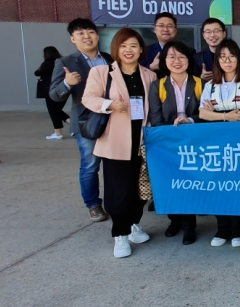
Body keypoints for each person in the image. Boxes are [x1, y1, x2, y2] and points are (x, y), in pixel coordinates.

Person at [81, 28, 157, 258]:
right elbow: (88, 98)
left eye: (133, 45)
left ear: (141, 49)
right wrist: (109, 104)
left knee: (140, 189)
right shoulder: (102, 72)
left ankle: (133, 224)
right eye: (123, 46)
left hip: (141, 142)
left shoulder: (149, 75)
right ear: (116, 49)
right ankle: (120, 234)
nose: (128, 50)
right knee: (119, 191)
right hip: (115, 142)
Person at [49, 18, 113, 222]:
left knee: (113, 164)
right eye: (81, 33)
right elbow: (54, 96)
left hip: (113, 119)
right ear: (73, 39)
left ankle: (114, 202)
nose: (87, 36)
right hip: (86, 122)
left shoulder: (109, 59)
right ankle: (93, 205)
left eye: (91, 32)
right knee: (90, 165)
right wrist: (67, 84)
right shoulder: (65, 62)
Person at [198, 39, 240, 248]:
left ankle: (238, 227)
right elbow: (201, 114)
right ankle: (222, 227)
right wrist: (227, 115)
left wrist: (215, 113)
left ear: (238, 59)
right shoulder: (210, 85)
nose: (227, 61)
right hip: (215, 143)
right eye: (223, 57)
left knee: (235, 185)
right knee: (217, 185)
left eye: (231, 56)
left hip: (239, 143)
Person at [148, 41, 202, 245]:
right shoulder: (158, 86)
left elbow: (205, 114)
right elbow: (155, 118)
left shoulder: (200, 84)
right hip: (167, 143)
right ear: (164, 61)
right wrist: (173, 131)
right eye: (171, 57)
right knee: (170, 182)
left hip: (193, 142)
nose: (176, 61)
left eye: (181, 56)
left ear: (189, 60)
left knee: (188, 184)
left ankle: (189, 226)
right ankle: (174, 220)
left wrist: (190, 121)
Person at [35, 46, 69, 139]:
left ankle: (58, 133)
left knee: (53, 111)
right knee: (56, 110)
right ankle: (74, 126)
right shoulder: (62, 62)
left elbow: (37, 73)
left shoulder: (47, 64)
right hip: (62, 89)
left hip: (49, 90)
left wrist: (39, 68)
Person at [194, 18, 227, 83]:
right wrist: (201, 78)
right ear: (203, 35)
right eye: (208, 32)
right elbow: (191, 80)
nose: (212, 35)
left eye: (216, 31)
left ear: (224, 34)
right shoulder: (197, 58)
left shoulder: (238, 56)